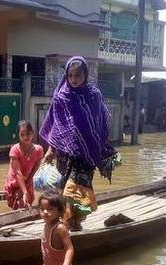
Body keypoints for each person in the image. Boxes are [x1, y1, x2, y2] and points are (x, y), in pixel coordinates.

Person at [40, 56, 118, 231]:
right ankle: (69, 225)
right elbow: (55, 126)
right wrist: (50, 150)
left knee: (74, 191)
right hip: (64, 154)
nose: (74, 80)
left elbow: (101, 121)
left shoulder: (94, 95)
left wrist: (102, 146)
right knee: (64, 191)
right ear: (66, 76)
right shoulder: (61, 96)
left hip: (86, 155)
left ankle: (71, 225)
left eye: (78, 75)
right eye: (70, 76)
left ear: (85, 75)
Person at [29, 192, 76, 265]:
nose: (45, 212)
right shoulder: (47, 224)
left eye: (49, 209)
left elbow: (70, 249)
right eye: (42, 209)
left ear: (59, 211)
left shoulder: (60, 228)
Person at [4, 120, 44, 209]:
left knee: (28, 202)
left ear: (33, 133)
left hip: (28, 182)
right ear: (18, 135)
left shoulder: (39, 150)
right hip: (14, 183)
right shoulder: (15, 149)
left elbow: (34, 172)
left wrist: (25, 189)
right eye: (22, 134)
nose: (26, 137)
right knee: (18, 204)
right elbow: (18, 173)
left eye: (28, 134)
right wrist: (23, 191)